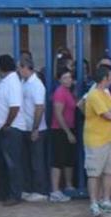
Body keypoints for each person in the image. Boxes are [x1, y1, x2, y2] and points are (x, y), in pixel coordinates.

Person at [83, 67, 111, 217]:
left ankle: (105, 201)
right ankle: (94, 203)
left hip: (107, 139)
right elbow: (110, 115)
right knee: (94, 173)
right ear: (105, 78)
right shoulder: (93, 95)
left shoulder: (106, 94)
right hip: (95, 140)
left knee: (108, 172)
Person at [0, 54, 25, 206]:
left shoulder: (12, 82)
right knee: (1, 163)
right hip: (4, 129)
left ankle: (15, 195)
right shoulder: (7, 81)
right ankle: (4, 193)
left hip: (11, 129)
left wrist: (7, 124)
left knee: (12, 164)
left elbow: (15, 107)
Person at [16, 57, 48, 202]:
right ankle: (28, 189)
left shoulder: (37, 85)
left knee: (36, 160)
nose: (18, 71)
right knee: (26, 160)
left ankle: (40, 190)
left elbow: (39, 108)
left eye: (19, 68)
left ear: (25, 68)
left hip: (36, 129)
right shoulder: (24, 82)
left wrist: (35, 128)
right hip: (26, 127)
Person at [49, 68, 77, 202]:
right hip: (60, 130)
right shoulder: (60, 92)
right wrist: (68, 132)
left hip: (68, 129)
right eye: (65, 77)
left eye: (70, 77)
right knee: (58, 160)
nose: (68, 80)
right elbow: (58, 115)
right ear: (59, 79)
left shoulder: (68, 92)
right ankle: (55, 190)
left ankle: (68, 185)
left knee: (68, 159)